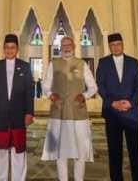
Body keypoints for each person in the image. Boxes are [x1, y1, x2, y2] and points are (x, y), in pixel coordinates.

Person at [41, 36, 98, 181]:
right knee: (61, 152)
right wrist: (51, 95)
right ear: (60, 47)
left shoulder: (82, 64)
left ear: (73, 46)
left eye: (69, 44)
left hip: (77, 114)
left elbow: (93, 87)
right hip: (59, 113)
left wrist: (84, 96)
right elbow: (45, 86)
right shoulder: (53, 64)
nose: (66, 47)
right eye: (63, 44)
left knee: (80, 152)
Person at [0, 34, 34, 181]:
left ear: (17, 49)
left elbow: (29, 92)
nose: (9, 50)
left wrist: (30, 112)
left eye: (12, 48)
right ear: (3, 49)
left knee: (18, 152)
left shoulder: (24, 66)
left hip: (19, 116)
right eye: (7, 47)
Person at [95, 33, 138, 181]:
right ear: (109, 47)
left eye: (118, 44)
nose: (116, 47)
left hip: (132, 113)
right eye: (112, 45)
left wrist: (131, 102)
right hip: (112, 113)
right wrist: (111, 102)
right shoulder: (103, 62)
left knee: (135, 152)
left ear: (123, 44)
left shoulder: (133, 62)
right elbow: (100, 85)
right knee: (115, 152)